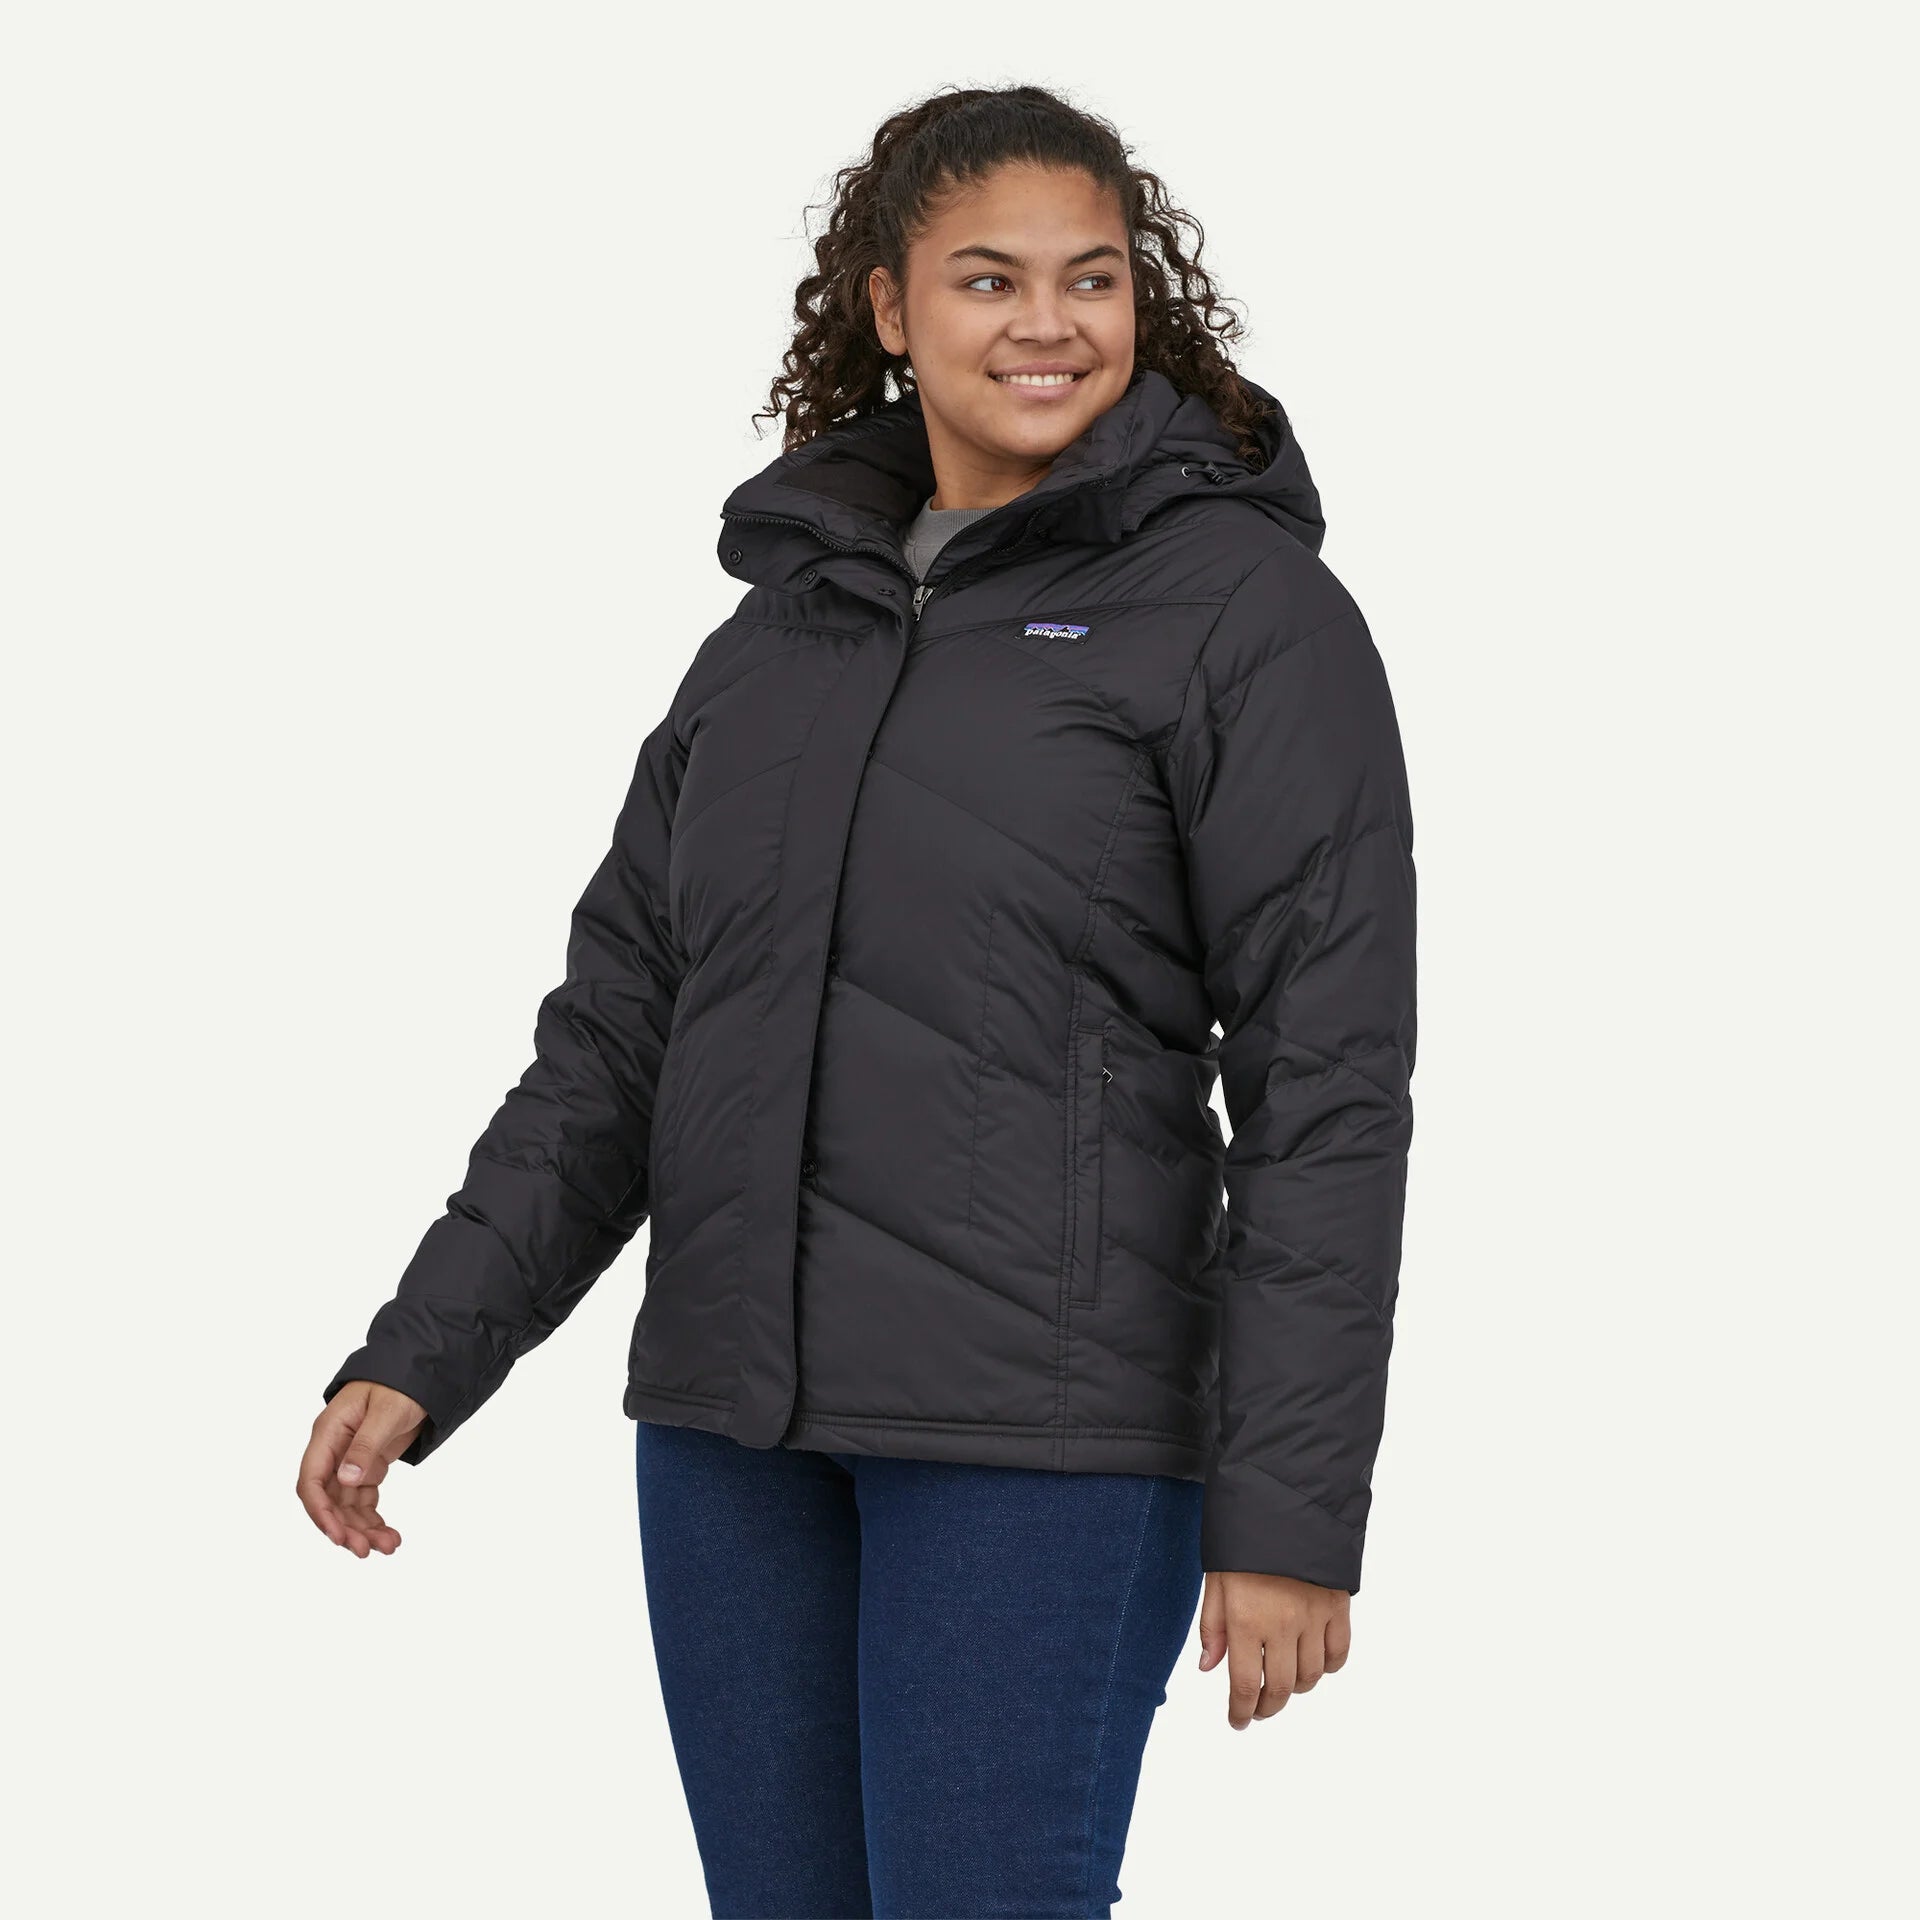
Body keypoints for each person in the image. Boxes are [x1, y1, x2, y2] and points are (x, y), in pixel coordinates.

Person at [299, 82, 1417, 1920]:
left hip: (1040, 1443)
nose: (1048, 323)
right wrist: (426, 1348)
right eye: (989, 279)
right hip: (733, 1439)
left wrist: (1291, 1510)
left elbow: (1329, 1082)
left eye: (1092, 277)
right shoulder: (773, 638)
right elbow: (618, 1040)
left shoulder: (1245, 616)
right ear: (891, 307)